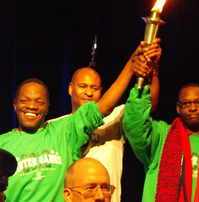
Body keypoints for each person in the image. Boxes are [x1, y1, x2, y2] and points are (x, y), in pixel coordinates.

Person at [0, 63, 146, 202]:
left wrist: (131, 65)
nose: (32, 106)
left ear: (47, 108)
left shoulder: (63, 130)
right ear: (15, 105)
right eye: (25, 101)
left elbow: (103, 107)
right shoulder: (3, 143)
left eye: (39, 102)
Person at [51, 39, 161, 202]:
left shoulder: (115, 117)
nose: (89, 92)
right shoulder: (57, 126)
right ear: (70, 88)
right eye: (83, 86)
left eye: (94, 88)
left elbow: (148, 105)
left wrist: (154, 70)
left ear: (101, 91)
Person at [123, 81, 199, 202]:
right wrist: (141, 87)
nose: (192, 108)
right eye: (186, 103)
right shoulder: (162, 136)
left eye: (198, 102)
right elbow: (135, 123)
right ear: (178, 107)